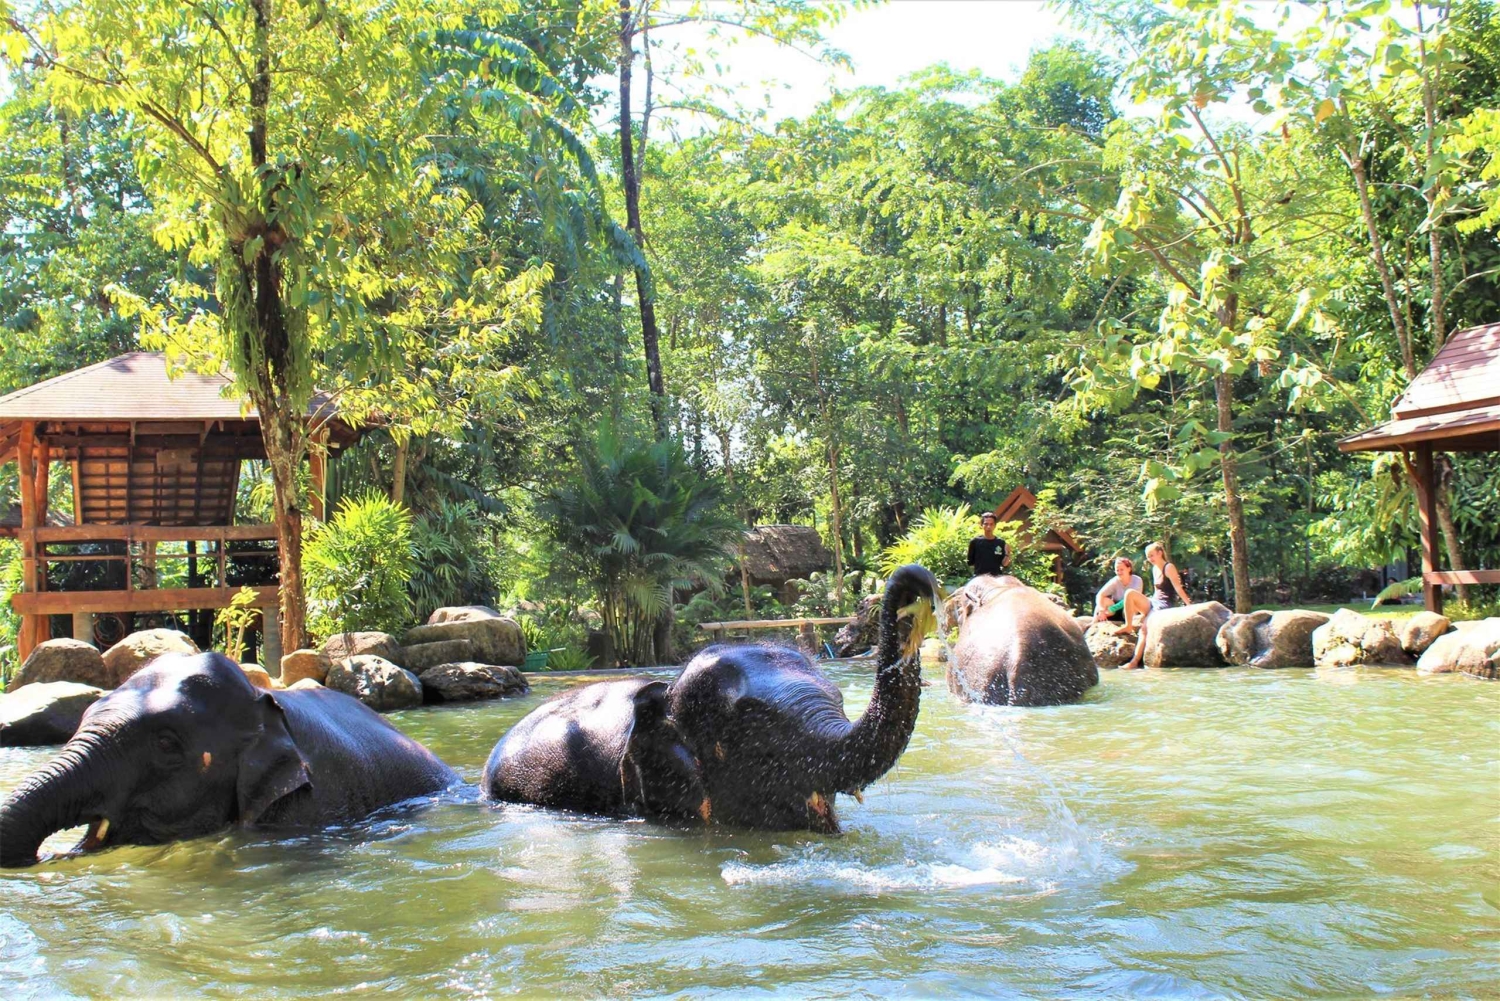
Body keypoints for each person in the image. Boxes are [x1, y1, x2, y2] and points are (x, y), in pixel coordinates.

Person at [1123, 541, 1192, 669]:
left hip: (1165, 604)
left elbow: (1178, 588)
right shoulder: (1155, 569)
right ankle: (1128, 625)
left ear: (1160, 553)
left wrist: (1188, 604)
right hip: (1154, 601)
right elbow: (1157, 591)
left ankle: (1134, 661)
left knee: (1144, 629)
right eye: (1148, 556)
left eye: (1152, 555)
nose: (1150, 559)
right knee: (1129, 594)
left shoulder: (1169, 567)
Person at [1093, 557, 1149, 634]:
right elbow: (1100, 595)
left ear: (1129, 569)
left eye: (1121, 569)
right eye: (1117, 570)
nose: (1119, 572)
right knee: (1104, 600)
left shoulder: (1137, 580)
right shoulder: (1114, 581)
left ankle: (1129, 626)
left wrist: (1112, 608)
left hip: (1128, 611)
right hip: (1113, 611)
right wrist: (1102, 609)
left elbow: (1128, 599)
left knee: (1131, 603)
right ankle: (1094, 623)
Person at [966, 512, 1011, 577]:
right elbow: (970, 563)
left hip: (996, 578)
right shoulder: (975, 542)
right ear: (981, 525)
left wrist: (1007, 553)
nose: (988, 527)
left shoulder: (1001, 543)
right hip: (979, 578)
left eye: (991, 524)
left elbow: (1004, 564)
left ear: (995, 525)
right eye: (986, 524)